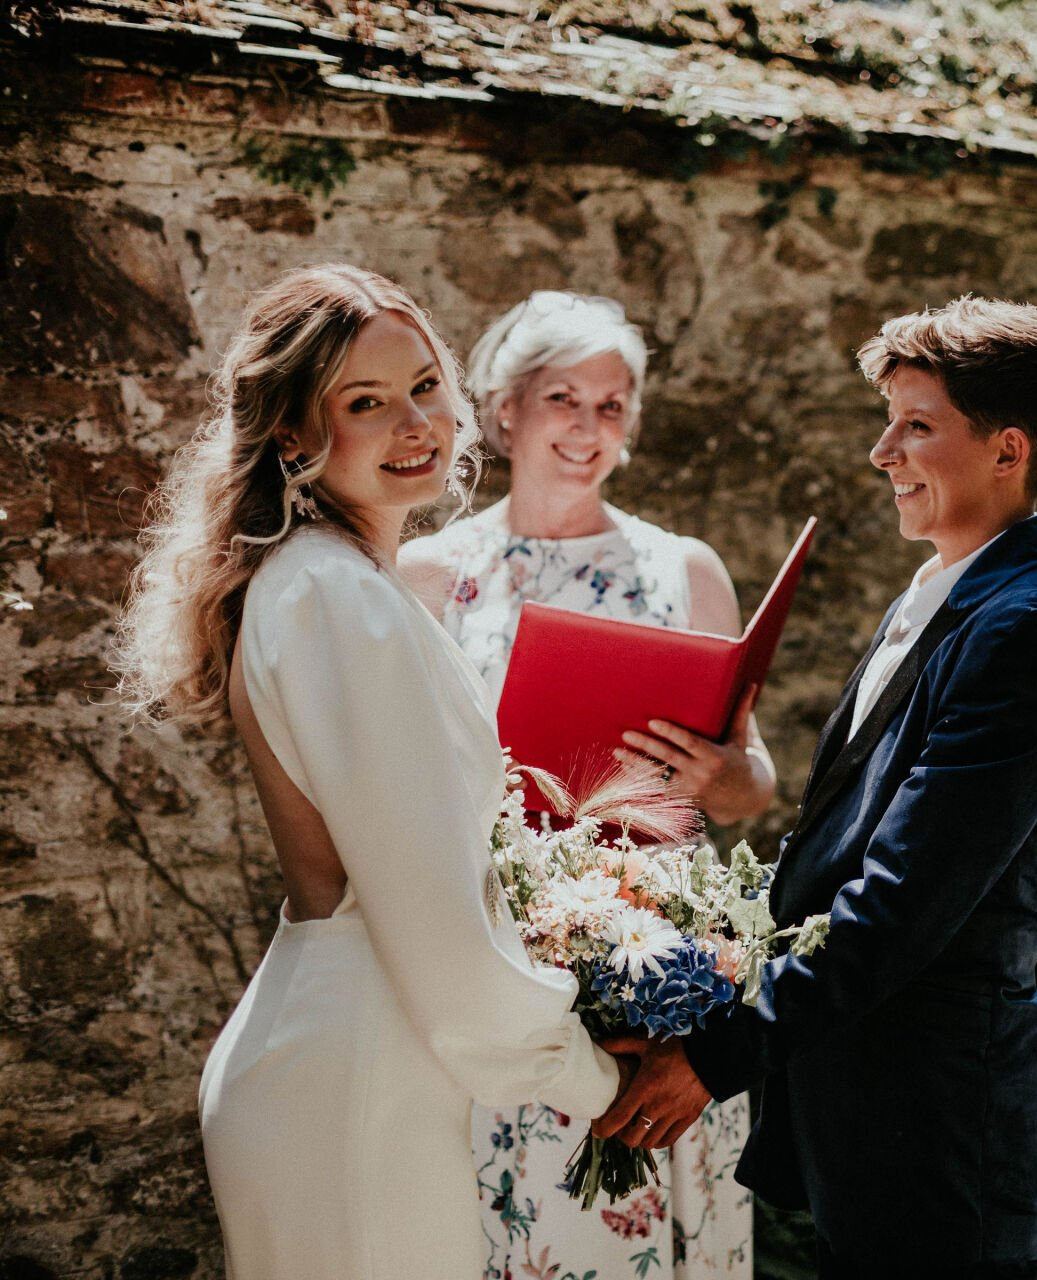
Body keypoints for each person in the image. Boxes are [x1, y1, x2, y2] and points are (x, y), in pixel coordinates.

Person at [114, 264, 655, 1279]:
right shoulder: (336, 597)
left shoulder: (339, 580)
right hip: (358, 1084)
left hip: (360, 1061)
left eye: (424, 386)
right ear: (291, 435)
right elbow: (439, 931)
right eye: (366, 402)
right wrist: (589, 1071)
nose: (415, 422)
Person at [597, 297, 1037, 1277]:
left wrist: (716, 1055)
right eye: (888, 421)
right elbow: (836, 848)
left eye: (916, 425)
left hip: (939, 1123)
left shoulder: (1030, 632)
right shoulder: (939, 594)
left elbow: (900, 901)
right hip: (862, 1109)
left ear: (1008, 450)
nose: (883, 451)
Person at [399, 291, 772, 1278]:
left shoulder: (682, 569)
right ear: (506, 408)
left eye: (612, 405)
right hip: (502, 973)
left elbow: (753, 791)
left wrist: (723, 772)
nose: (588, 426)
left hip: (662, 981)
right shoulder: (432, 576)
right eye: (564, 396)